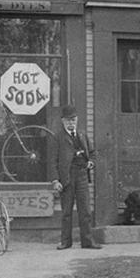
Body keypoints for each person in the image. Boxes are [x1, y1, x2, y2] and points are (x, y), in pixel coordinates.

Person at [51, 105, 101, 250]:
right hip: (66, 177)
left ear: (77, 120)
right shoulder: (58, 138)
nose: (71, 123)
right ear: (62, 121)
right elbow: (52, 161)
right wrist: (55, 180)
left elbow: (93, 153)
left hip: (82, 176)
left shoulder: (83, 135)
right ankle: (66, 242)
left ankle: (87, 241)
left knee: (85, 210)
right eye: (68, 121)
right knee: (66, 211)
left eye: (73, 120)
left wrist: (91, 162)